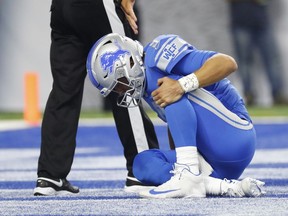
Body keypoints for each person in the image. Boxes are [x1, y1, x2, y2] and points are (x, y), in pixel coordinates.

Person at [87, 33, 266, 198]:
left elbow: (227, 63)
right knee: (142, 163)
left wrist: (181, 85)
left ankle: (189, 174)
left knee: (167, 88)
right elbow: (179, 122)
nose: (121, 92)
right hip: (213, 161)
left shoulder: (156, 56)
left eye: (119, 84)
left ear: (130, 63)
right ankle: (221, 186)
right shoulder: (148, 84)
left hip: (235, 136)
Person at [33, 0, 160, 196]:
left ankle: (50, 175)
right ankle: (142, 169)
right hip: (99, 6)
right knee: (125, 80)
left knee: (64, 91)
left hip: (60, 8)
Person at [227, 0, 287, 105]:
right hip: (240, 22)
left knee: (272, 60)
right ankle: (248, 94)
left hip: (262, 22)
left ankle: (278, 94)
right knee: (244, 62)